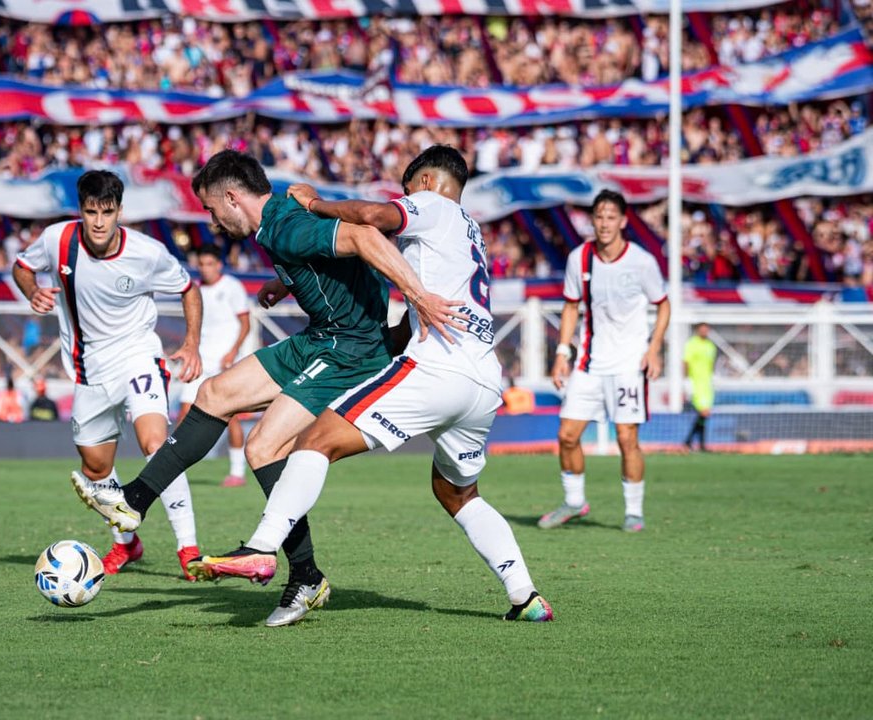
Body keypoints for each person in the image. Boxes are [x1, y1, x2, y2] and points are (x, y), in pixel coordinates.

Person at [71, 149, 462, 627]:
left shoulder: (283, 225)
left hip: (349, 349)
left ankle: (304, 575)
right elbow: (330, 253)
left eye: (213, 210)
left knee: (263, 447)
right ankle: (134, 501)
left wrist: (419, 296)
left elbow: (363, 235)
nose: (213, 222)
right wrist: (288, 282)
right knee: (213, 394)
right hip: (321, 336)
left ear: (233, 198)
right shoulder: (279, 218)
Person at [189, 146, 553, 623]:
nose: (404, 201)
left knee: (314, 441)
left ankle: (262, 547)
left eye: (407, 191)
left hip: (438, 371)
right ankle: (525, 596)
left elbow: (370, 217)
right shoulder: (472, 234)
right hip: (483, 382)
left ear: (424, 182)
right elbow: (413, 327)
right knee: (457, 493)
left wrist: (315, 203)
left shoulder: (433, 204)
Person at [13, 170, 204, 577]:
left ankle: (189, 549)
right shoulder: (57, 240)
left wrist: (191, 343)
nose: (99, 222)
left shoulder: (147, 253)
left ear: (120, 211)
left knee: (156, 443)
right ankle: (126, 544)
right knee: (96, 467)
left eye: (107, 212)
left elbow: (189, 288)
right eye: (90, 212)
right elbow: (22, 266)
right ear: (80, 211)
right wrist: (32, 291)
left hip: (138, 354)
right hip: (89, 369)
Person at [538, 189, 670, 533]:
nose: (605, 223)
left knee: (627, 439)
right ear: (592, 221)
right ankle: (573, 501)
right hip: (588, 363)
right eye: (599, 217)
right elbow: (570, 306)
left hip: (628, 366)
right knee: (567, 435)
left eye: (612, 217)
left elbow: (664, 304)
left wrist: (654, 349)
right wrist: (562, 354)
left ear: (624, 222)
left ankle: (634, 512)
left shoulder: (641, 261)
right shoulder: (579, 258)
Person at [176, 245, 251, 488]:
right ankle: (173, 469)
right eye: (202, 264)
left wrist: (232, 351)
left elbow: (245, 323)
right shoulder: (195, 290)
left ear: (219, 264)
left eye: (210, 264)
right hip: (200, 360)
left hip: (224, 362)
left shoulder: (231, 286)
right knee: (184, 414)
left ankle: (237, 473)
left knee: (231, 417)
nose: (205, 269)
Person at [683, 322, 717, 451]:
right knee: (703, 413)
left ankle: (692, 442)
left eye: (706, 330)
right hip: (696, 383)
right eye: (702, 329)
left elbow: (710, 364)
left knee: (705, 415)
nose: (704, 332)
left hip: (707, 384)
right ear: (698, 330)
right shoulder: (691, 344)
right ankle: (695, 443)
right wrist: (686, 380)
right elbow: (685, 362)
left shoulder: (710, 346)